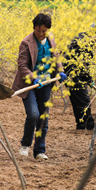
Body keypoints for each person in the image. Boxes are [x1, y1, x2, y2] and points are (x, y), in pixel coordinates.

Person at [12, 13, 67, 160]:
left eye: (44, 31)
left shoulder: (51, 39)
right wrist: (34, 78)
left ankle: (39, 151)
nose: (41, 34)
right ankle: (25, 144)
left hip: (46, 83)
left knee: (43, 117)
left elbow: (56, 57)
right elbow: (22, 66)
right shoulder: (26, 42)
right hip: (30, 85)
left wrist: (61, 71)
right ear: (34, 28)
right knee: (33, 114)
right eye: (38, 30)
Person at [63, 31, 96, 130]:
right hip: (74, 74)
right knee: (83, 100)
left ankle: (81, 124)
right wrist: (89, 79)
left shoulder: (79, 38)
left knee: (76, 100)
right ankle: (89, 125)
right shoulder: (85, 42)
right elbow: (84, 64)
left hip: (69, 73)